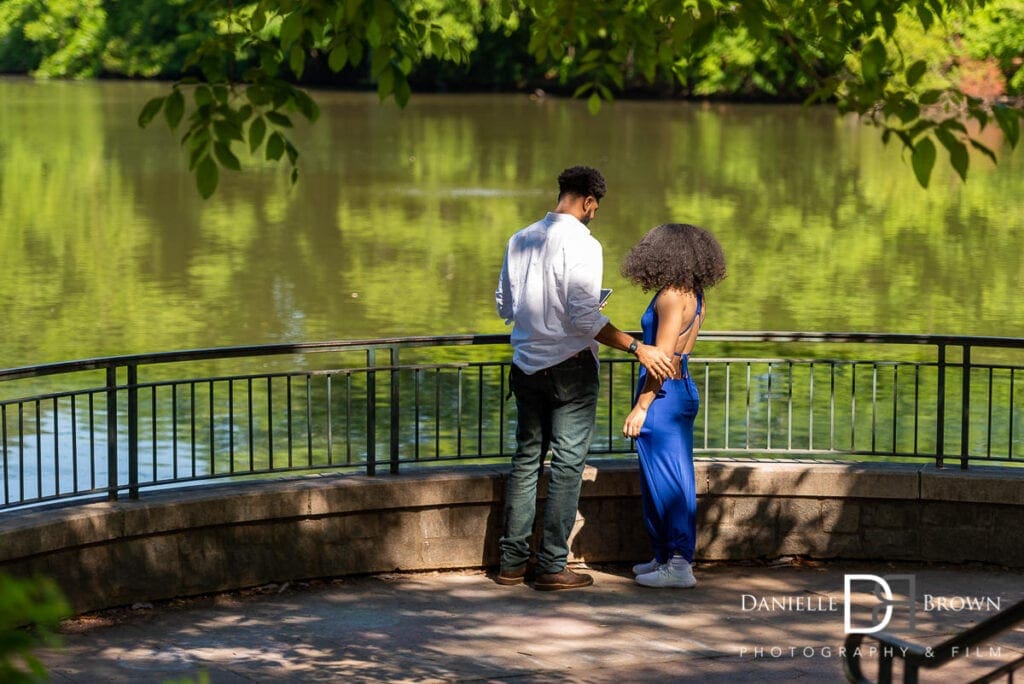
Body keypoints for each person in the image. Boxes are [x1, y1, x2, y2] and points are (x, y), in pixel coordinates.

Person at [494, 166, 675, 591]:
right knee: (567, 465)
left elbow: (505, 305)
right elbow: (582, 316)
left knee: (525, 461)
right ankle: (553, 566)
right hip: (569, 366)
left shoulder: (519, 239)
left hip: (524, 364)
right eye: (596, 208)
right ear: (589, 202)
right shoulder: (584, 244)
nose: (595, 215)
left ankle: (511, 563)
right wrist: (637, 346)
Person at [620, 223, 727, 588]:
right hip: (682, 389)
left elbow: (663, 358)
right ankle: (665, 556)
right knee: (668, 477)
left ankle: (679, 564)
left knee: (668, 482)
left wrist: (642, 407)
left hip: (663, 394)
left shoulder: (670, 295)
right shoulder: (694, 293)